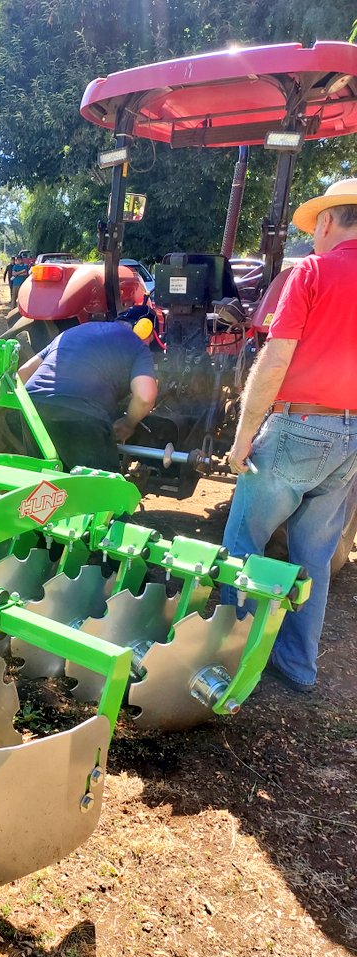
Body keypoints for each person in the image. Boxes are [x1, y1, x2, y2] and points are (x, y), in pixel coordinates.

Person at [222, 177, 357, 694]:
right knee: (313, 555)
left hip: (300, 426)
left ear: (326, 222)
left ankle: (233, 657)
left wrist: (242, 438)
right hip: (349, 439)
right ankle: (299, 665)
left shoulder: (313, 272)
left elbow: (275, 357)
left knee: (242, 542)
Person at [13, 310, 157, 472]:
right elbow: (145, 397)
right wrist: (128, 424)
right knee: (104, 489)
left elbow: (23, 373)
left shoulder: (72, 332)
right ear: (145, 331)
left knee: (45, 486)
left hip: (33, 407)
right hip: (83, 413)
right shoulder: (137, 344)